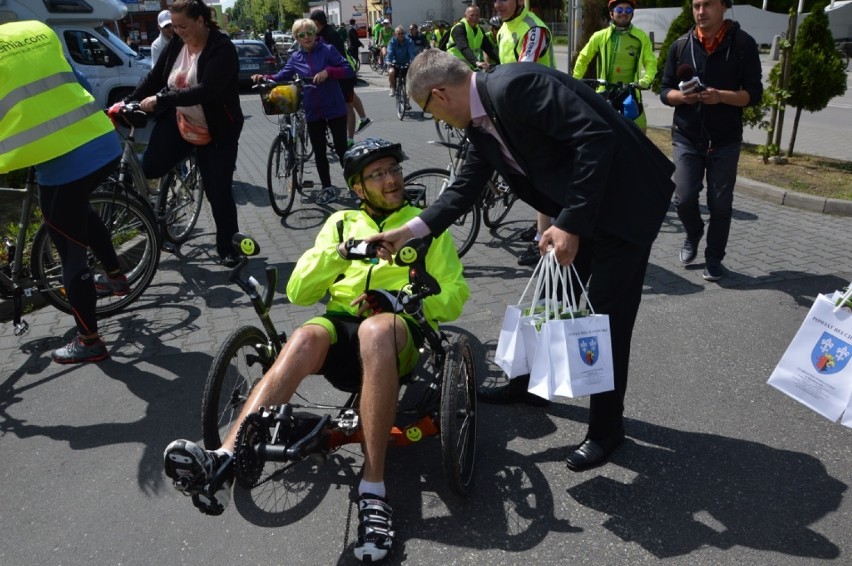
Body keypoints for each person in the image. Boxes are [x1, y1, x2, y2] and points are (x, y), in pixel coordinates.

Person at [367, 49, 676, 472]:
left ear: (439, 94)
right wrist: (411, 231)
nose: (435, 119)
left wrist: (569, 223)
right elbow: (464, 189)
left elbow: (595, 138)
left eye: (428, 110)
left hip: (624, 205)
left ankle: (607, 430)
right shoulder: (480, 122)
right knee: (550, 299)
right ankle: (529, 385)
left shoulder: (516, 86)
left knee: (603, 321)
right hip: (582, 209)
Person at [163, 138, 469, 563]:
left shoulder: (423, 224)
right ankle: (223, 457)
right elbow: (298, 290)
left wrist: (398, 301)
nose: (391, 179)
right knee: (305, 335)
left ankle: (375, 490)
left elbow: (455, 294)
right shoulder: (341, 224)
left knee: (376, 331)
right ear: (358, 188)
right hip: (343, 327)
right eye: (377, 174)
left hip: (398, 331)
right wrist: (338, 255)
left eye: (393, 169)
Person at [0, 20, 128, 363]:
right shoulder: (36, 33)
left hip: (63, 165)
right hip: (100, 140)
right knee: (79, 211)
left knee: (69, 251)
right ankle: (116, 277)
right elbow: (79, 83)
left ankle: (89, 340)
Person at [129, 0, 244, 267]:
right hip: (181, 120)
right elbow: (156, 77)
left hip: (216, 129)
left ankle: (228, 247)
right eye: (174, 27)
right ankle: (176, 186)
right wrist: (130, 101)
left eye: (183, 26)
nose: (178, 31)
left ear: (201, 20)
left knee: (219, 192)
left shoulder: (222, 49)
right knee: (151, 166)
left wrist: (161, 99)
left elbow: (206, 90)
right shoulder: (177, 43)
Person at [660, 0, 763, 282]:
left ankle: (714, 258)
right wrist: (680, 97)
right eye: (696, 5)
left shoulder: (743, 44)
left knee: (720, 205)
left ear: (724, 7)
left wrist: (722, 96)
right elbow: (664, 89)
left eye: (707, 5)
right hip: (687, 137)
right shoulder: (680, 45)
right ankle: (693, 233)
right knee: (683, 199)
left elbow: (753, 94)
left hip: (725, 139)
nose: (700, 11)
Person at [254, 18, 354, 204]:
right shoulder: (296, 57)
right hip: (312, 110)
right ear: (296, 38)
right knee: (319, 152)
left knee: (341, 149)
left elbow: (348, 69)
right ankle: (327, 188)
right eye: (301, 35)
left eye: (309, 33)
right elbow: (282, 76)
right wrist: (265, 77)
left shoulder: (328, 50)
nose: (306, 37)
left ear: (316, 33)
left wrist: (328, 72)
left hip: (334, 108)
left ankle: (354, 184)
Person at [493, 0, 557, 267]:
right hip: (517, 108)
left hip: (540, 110)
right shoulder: (503, 29)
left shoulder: (534, 29)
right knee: (530, 174)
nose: (498, 4)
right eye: (495, 0)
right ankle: (539, 224)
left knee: (541, 178)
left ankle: (543, 239)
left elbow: (522, 71)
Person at [572, 0, 657, 131]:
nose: (624, 13)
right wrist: (575, 81)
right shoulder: (600, 36)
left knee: (638, 135)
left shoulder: (641, 37)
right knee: (600, 134)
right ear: (611, 13)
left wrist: (646, 80)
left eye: (628, 10)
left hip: (630, 93)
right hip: (604, 93)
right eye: (619, 10)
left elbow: (651, 62)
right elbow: (583, 58)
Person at [310, 10, 371, 147]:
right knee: (350, 99)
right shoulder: (323, 33)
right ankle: (364, 118)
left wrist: (328, 71)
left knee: (348, 106)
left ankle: (349, 139)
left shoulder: (330, 35)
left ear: (317, 23)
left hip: (344, 76)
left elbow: (338, 58)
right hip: (339, 76)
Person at [445, 5, 499, 71]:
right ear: (465, 16)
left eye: (477, 15)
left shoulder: (479, 30)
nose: (474, 18)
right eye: (472, 15)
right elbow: (464, 48)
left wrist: (501, 61)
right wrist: (477, 62)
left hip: (470, 66)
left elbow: (489, 48)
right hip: (454, 65)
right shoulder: (459, 28)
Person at [386, 26, 416, 103]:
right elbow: (390, 52)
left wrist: (413, 61)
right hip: (395, 63)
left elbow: (411, 52)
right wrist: (389, 61)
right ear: (395, 35)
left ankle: (407, 102)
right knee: (391, 72)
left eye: (402, 33)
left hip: (406, 63)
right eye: (399, 34)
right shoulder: (392, 42)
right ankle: (392, 87)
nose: (401, 35)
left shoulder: (409, 41)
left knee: (408, 81)